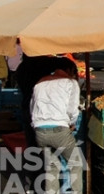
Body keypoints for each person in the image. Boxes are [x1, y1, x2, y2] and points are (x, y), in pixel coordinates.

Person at [30, 59, 83, 194]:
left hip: (40, 131)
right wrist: (72, 123)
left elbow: (32, 108)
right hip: (60, 130)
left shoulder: (40, 83)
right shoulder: (71, 83)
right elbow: (73, 110)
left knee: (52, 167)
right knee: (75, 164)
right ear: (69, 70)